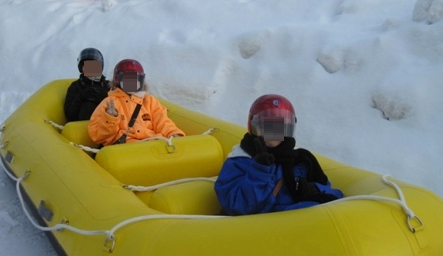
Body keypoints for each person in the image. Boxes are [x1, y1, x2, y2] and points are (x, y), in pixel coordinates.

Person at [214, 94, 343, 216]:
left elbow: (333, 196)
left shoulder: (300, 159)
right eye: (267, 126)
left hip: (303, 225)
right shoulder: (239, 161)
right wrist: (259, 170)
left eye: (279, 127)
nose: (273, 132)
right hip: (267, 230)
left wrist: (313, 189)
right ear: (254, 126)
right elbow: (239, 208)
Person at [88, 59, 185, 146]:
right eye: (128, 79)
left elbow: (162, 121)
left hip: (151, 144)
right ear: (118, 80)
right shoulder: (109, 102)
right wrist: (110, 119)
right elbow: (98, 136)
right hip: (126, 147)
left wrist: (173, 133)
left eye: (136, 79)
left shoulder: (149, 101)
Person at [64, 47, 110, 121]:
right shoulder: (76, 86)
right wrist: (80, 97)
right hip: (81, 126)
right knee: (88, 105)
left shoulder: (108, 86)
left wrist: (105, 97)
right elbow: (69, 115)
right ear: (81, 68)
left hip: (105, 125)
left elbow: (120, 108)